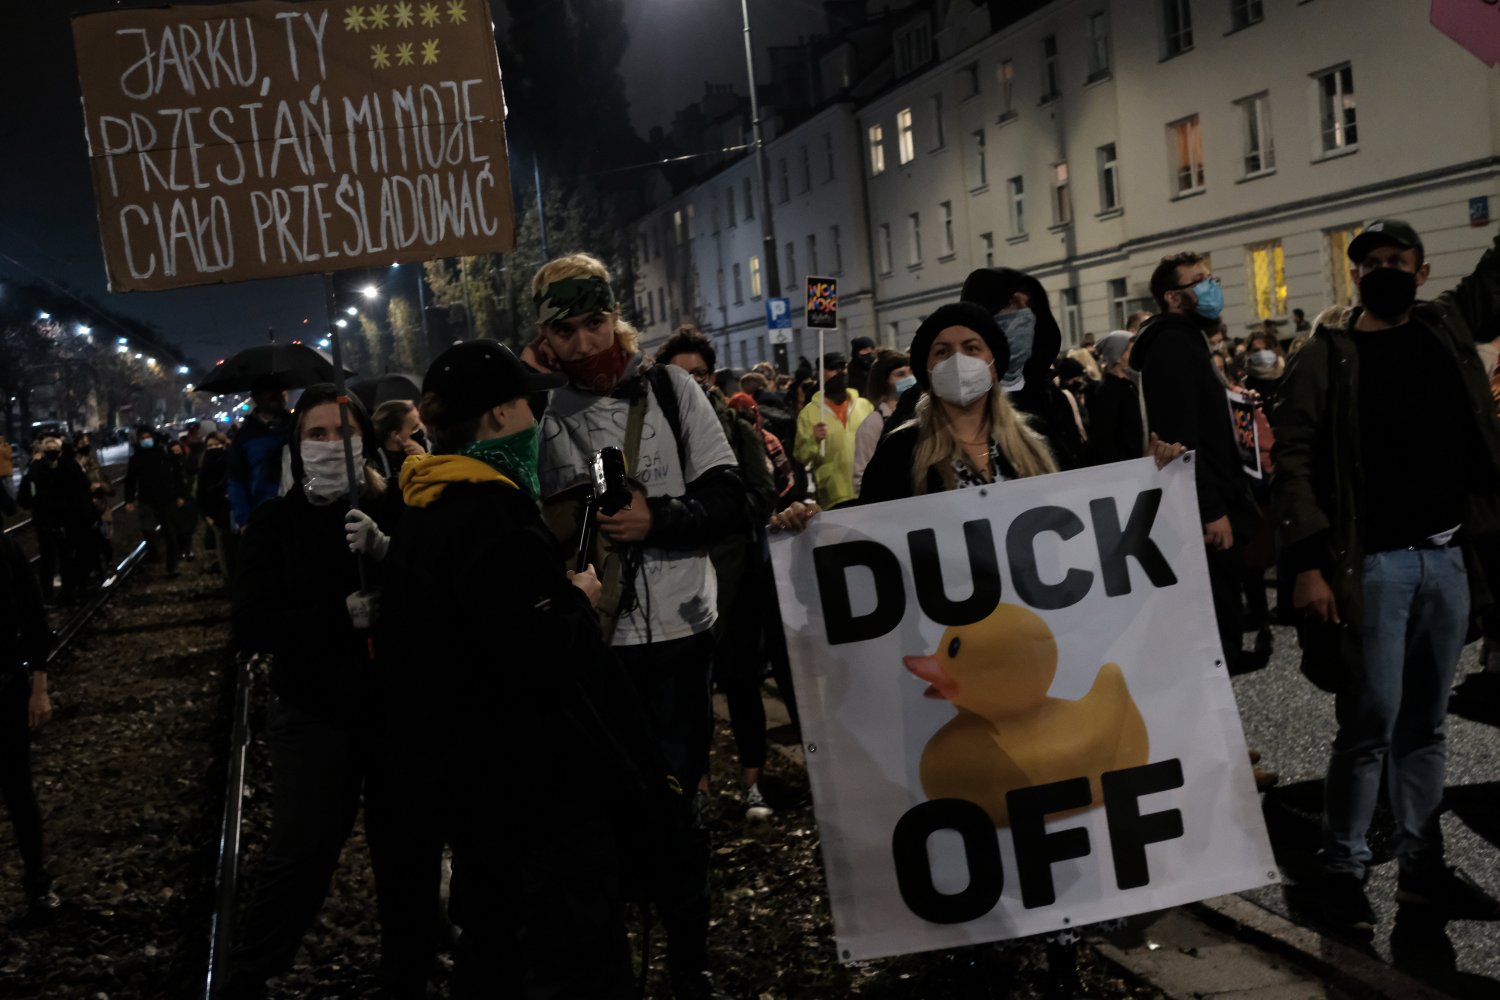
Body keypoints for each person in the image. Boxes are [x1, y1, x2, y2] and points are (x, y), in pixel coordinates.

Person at [378, 340, 657, 998]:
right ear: (499, 416)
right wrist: (573, 603)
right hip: (537, 797)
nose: (536, 421)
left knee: (496, 945)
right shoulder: (491, 514)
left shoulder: (423, 505)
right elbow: (531, 659)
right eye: (528, 406)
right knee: (569, 963)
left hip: (471, 792)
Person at [1272, 219, 1500, 934]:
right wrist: (1308, 564)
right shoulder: (1327, 356)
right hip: (1370, 568)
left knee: (1426, 727)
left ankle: (1420, 868)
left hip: (1446, 558)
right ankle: (1343, 866)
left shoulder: (1445, 330)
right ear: (1357, 276)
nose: (1385, 271)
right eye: (1372, 263)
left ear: (1422, 272)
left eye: (1397, 260)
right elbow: (1295, 461)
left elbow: (1494, 284)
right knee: (1369, 721)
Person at [533, 252, 743, 1000]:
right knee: (606, 814)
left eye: (596, 323)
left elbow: (729, 499)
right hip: (601, 649)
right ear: (546, 340)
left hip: (684, 637)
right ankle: (615, 966)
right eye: (569, 331)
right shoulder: (538, 416)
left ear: (614, 315)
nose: (588, 344)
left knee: (678, 806)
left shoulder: (672, 390)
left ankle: (689, 965)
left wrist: (658, 519)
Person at [221, 386, 427, 999]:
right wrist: (341, 616)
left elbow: (438, 594)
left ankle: (407, 974)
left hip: (396, 709)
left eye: (344, 432)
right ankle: (250, 972)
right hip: (315, 714)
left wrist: (391, 557)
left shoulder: (398, 510)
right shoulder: (274, 524)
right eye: (317, 434)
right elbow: (253, 626)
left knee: (407, 852)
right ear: (296, 445)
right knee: (303, 850)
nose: (333, 445)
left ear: (365, 439)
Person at [657, 327, 786, 820]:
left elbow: (763, 492)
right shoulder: (655, 431)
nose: (694, 382)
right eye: (681, 374)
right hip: (678, 582)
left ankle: (753, 784)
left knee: (741, 683)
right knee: (689, 693)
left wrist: (723, 513)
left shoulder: (735, 424)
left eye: (701, 374)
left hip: (734, 580)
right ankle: (698, 788)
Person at [1131, 253, 1264, 677]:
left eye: (1210, 278)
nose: (1210, 287)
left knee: (1221, 627)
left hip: (1213, 501)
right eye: (1199, 281)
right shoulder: (1172, 344)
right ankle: (1214, 739)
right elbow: (1180, 435)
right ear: (1173, 297)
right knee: (1215, 634)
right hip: (1203, 512)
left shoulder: (1187, 339)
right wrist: (1211, 509)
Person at [860, 302, 1057, 503]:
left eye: (971, 348)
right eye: (942, 352)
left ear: (994, 364)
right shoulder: (899, 452)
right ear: (927, 371)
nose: (957, 360)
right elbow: (871, 523)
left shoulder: (1035, 437)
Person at [959, 267, 1085, 469]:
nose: (1025, 314)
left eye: (1029, 305)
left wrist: (1146, 468)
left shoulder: (1051, 397)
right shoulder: (948, 402)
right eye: (1011, 303)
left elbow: (1078, 467)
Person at [0, 531, 58, 921]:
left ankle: (38, 884)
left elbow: (35, 618)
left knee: (19, 791)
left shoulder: (5, 550)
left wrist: (40, 687)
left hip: (5, 690)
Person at [793, 352, 874, 509]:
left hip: (869, 487)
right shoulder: (809, 413)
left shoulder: (864, 405)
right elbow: (801, 457)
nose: (840, 371)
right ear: (820, 374)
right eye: (833, 368)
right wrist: (813, 440)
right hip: (834, 494)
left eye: (843, 366)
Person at [17, 437, 94, 601]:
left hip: (68, 519)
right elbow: (26, 495)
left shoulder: (69, 466)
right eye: (48, 448)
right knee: (49, 557)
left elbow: (81, 489)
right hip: (46, 520)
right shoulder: (36, 470)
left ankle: (72, 588)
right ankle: (49, 593)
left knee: (68, 555)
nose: (51, 450)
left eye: (54, 447)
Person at [123, 426, 188, 579]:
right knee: (147, 530)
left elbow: (177, 476)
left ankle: (172, 566)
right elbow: (130, 480)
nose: (146, 440)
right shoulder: (136, 458)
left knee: (170, 534)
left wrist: (181, 495)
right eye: (143, 438)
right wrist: (129, 499)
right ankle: (154, 554)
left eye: (148, 436)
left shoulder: (164, 454)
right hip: (147, 500)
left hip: (167, 499)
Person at [227, 379, 291, 531]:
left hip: (300, 514)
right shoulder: (244, 436)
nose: (275, 395)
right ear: (256, 397)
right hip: (264, 517)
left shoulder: (297, 425)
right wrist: (245, 521)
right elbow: (236, 481)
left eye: (278, 390)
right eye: (268, 391)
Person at [852, 350, 913, 495]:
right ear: (884, 381)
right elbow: (861, 477)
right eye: (900, 374)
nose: (909, 378)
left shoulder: (923, 412)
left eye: (910, 372)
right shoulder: (874, 422)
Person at [1085, 331, 1144, 466]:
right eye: (1131, 351)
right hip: (1123, 467)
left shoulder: (1126, 385)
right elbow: (1105, 438)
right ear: (1118, 357)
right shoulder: (1108, 391)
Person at [196, 432, 233, 575]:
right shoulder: (204, 467)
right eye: (210, 446)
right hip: (217, 515)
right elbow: (201, 493)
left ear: (224, 444)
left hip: (234, 511)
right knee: (224, 551)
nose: (213, 448)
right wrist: (207, 515)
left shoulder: (233, 462)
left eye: (217, 444)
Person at [371, 399, 428, 481]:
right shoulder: (376, 463)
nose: (421, 431)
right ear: (395, 435)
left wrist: (424, 461)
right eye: (414, 428)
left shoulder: (422, 448)